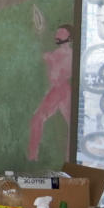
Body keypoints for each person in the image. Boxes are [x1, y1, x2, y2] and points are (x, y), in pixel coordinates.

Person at [28, 25, 72, 161]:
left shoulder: (69, 54)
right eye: (57, 32)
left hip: (62, 90)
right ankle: (32, 156)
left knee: (72, 125)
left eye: (61, 33)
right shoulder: (56, 53)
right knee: (37, 119)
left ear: (69, 37)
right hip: (56, 90)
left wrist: (51, 60)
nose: (57, 35)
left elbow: (59, 72)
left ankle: (68, 158)